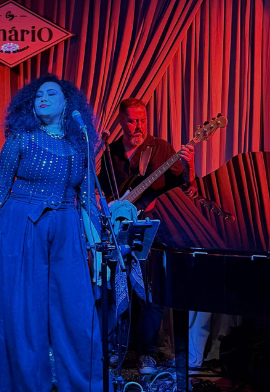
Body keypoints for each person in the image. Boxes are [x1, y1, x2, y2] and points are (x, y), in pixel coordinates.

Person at [0, 75, 104, 392]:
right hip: (22, 225)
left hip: (67, 228)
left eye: (51, 93)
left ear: (67, 102)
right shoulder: (20, 139)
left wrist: (98, 245)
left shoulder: (79, 145)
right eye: (38, 95)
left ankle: (84, 386)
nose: (42, 98)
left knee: (77, 313)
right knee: (24, 316)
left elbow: (88, 197)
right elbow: (0, 191)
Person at [97, 98, 197, 374]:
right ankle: (117, 349)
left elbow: (185, 190)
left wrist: (189, 166)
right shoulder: (111, 152)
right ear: (121, 121)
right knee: (116, 291)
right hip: (118, 233)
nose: (138, 126)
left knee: (150, 293)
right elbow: (102, 192)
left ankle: (147, 353)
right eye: (131, 120)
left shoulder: (161, 148)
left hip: (152, 232)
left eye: (142, 120)